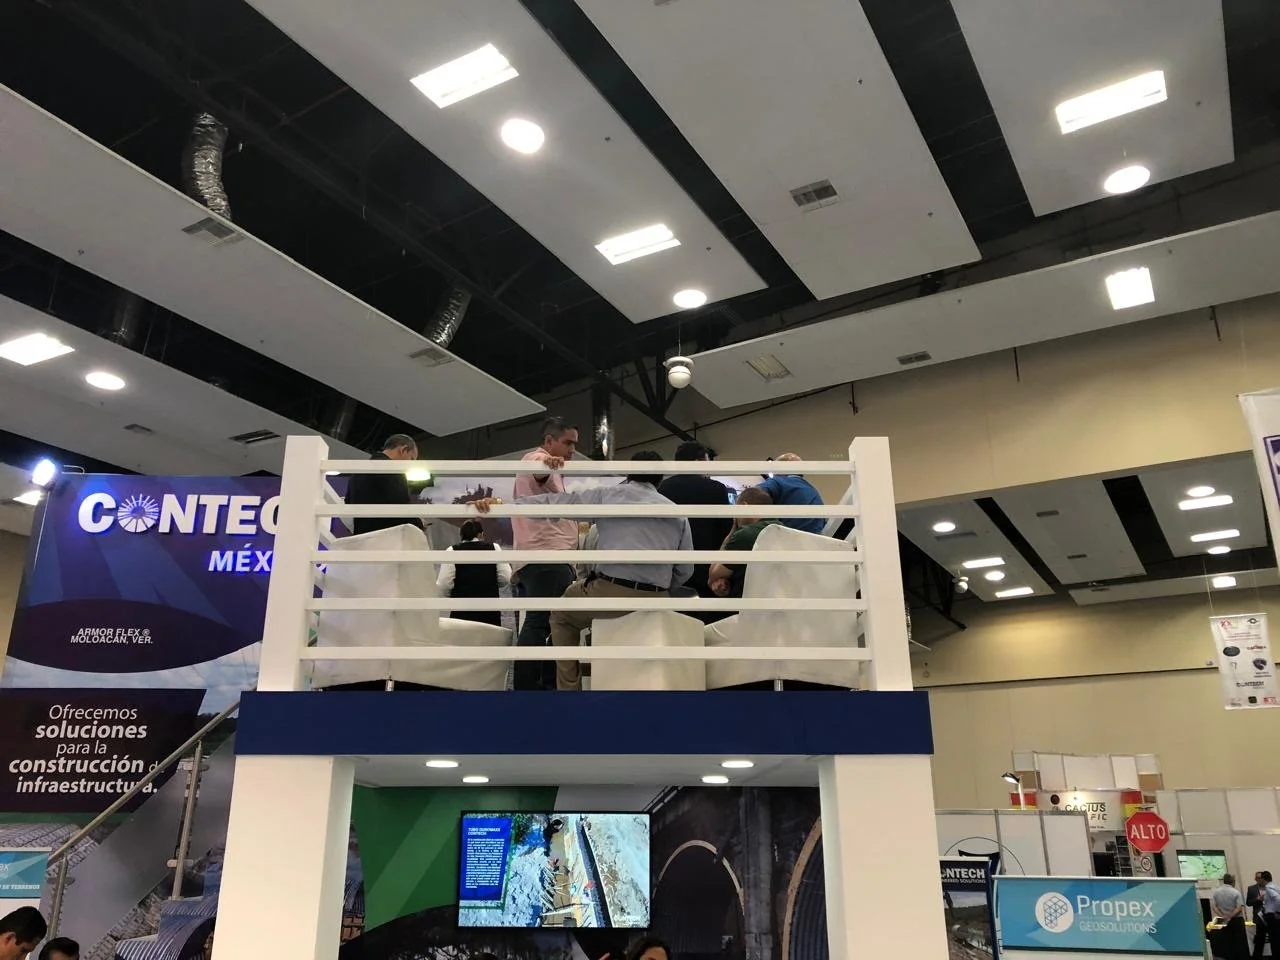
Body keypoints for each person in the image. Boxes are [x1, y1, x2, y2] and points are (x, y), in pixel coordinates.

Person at [475, 451, 693, 691]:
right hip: (658, 597)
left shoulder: (609, 496)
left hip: (610, 593)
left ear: (629, 473)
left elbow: (556, 503)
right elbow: (685, 569)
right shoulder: (677, 512)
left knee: (561, 617)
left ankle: (570, 691)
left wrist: (506, 506)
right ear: (659, 479)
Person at [510, 417, 581, 690]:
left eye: (575, 443)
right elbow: (539, 467)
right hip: (547, 557)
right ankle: (529, 689)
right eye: (568, 443)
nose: (572, 449)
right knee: (543, 623)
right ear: (549, 441)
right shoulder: (537, 458)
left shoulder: (549, 468)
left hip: (543, 558)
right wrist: (547, 462)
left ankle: (542, 687)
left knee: (549, 624)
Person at [658, 441, 731, 605]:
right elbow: (726, 532)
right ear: (698, 462)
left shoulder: (662, 488)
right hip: (707, 570)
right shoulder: (716, 488)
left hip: (670, 571)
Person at [707, 486, 779, 599]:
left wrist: (733, 530)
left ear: (743, 507)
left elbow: (713, 575)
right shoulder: (783, 529)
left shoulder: (745, 535)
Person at [436, 519, 511, 627]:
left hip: (461, 614)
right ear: (481, 534)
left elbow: (444, 585)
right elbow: (505, 578)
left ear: (461, 535)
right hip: (489, 613)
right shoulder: (494, 548)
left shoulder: (452, 551)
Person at [344, 434, 421, 535]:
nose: (410, 466)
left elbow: (348, 502)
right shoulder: (394, 472)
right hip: (386, 540)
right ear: (403, 449)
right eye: (411, 459)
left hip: (362, 540)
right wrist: (418, 523)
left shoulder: (357, 472)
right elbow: (401, 509)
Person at [760, 452, 826, 535]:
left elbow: (753, 495)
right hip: (815, 542)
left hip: (786, 540)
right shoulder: (814, 492)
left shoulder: (778, 482)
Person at [1210, 873, 1249, 960]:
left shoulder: (1216, 892)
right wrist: (1230, 916)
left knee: (1227, 942)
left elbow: (1214, 906)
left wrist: (1222, 915)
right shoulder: (1236, 892)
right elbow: (1239, 908)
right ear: (1233, 882)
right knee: (1240, 943)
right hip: (1237, 920)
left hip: (1224, 921)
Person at [1248, 871, 1270, 958]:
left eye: (1261, 878)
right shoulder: (1251, 889)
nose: (1260, 880)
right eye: (1258, 878)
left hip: (1270, 916)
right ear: (1255, 879)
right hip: (1258, 917)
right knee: (1259, 939)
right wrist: (1257, 899)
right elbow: (1248, 903)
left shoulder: (1270, 887)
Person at [1261, 871, 1280, 952]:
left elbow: (1278, 899)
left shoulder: (1268, 888)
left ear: (1263, 879)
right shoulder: (1276, 886)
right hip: (1274, 916)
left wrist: (1278, 912)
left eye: (1260, 878)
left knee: (1274, 941)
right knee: (1277, 939)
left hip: (1272, 916)